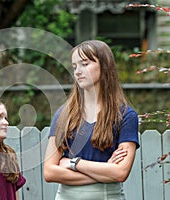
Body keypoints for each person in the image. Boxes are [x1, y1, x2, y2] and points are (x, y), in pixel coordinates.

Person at [43, 40, 139, 200]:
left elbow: (121, 173)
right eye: (74, 66)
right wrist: (105, 171)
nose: (78, 71)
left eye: (85, 64)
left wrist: (74, 163)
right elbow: (49, 171)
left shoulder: (126, 116)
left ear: (105, 66)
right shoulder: (63, 115)